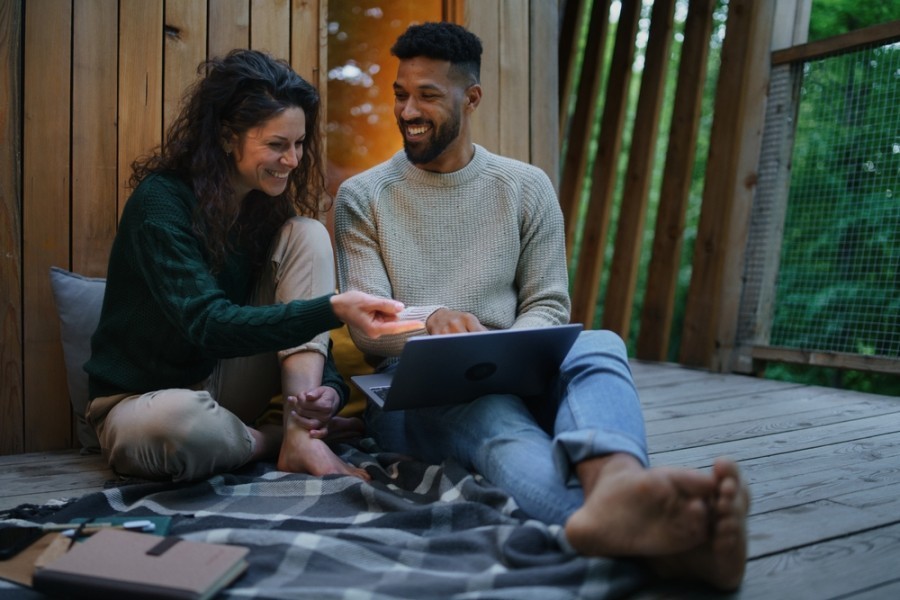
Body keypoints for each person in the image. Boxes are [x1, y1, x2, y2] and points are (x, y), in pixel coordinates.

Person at [334, 22, 750, 591]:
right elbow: (370, 333)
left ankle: (618, 486)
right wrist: (431, 319)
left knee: (601, 342)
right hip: (411, 390)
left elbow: (549, 305)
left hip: (516, 366)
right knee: (494, 417)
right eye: (401, 94)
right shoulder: (363, 196)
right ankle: (656, 543)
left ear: (471, 98)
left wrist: (505, 350)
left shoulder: (526, 187)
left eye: (428, 95)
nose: (408, 110)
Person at [84, 49, 421, 484]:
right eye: (277, 145)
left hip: (226, 388)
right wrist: (333, 308)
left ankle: (303, 433)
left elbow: (298, 328)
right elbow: (209, 324)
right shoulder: (160, 203)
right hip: (142, 402)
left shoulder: (267, 213)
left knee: (308, 232)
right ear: (227, 137)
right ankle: (280, 441)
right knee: (178, 423)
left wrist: (329, 394)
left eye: (299, 144)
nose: (294, 160)